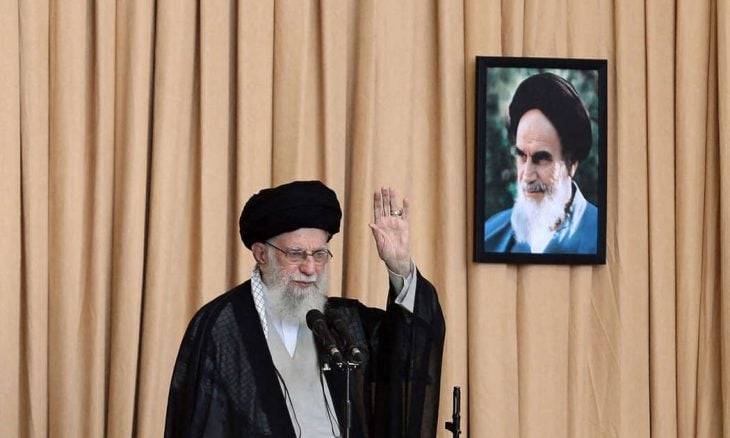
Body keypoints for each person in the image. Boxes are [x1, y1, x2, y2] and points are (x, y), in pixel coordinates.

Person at [164, 180, 445, 438]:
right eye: (296, 254)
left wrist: (400, 266)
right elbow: (201, 424)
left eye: (319, 254)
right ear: (261, 254)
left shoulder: (342, 322)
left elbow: (404, 350)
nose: (310, 268)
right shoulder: (221, 326)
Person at [484, 72, 598, 254]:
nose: (527, 176)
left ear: (571, 163)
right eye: (522, 156)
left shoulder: (601, 238)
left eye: (542, 158)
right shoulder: (489, 236)